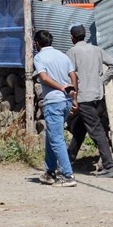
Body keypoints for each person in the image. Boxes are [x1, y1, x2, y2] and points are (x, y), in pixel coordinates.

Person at [66, 24, 113, 178]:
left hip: (83, 96)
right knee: (80, 130)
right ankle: (68, 159)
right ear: (85, 35)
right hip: (96, 95)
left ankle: (109, 166)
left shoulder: (72, 52)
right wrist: (101, 80)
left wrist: (71, 93)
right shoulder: (96, 49)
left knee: (96, 131)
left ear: (72, 37)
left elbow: (69, 74)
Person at [32, 29, 78, 187]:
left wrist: (60, 88)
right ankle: (50, 172)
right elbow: (73, 75)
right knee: (52, 135)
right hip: (66, 102)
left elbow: (43, 77)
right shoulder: (63, 56)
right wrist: (74, 96)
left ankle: (68, 175)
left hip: (54, 101)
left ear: (37, 43)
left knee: (56, 138)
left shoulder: (39, 57)